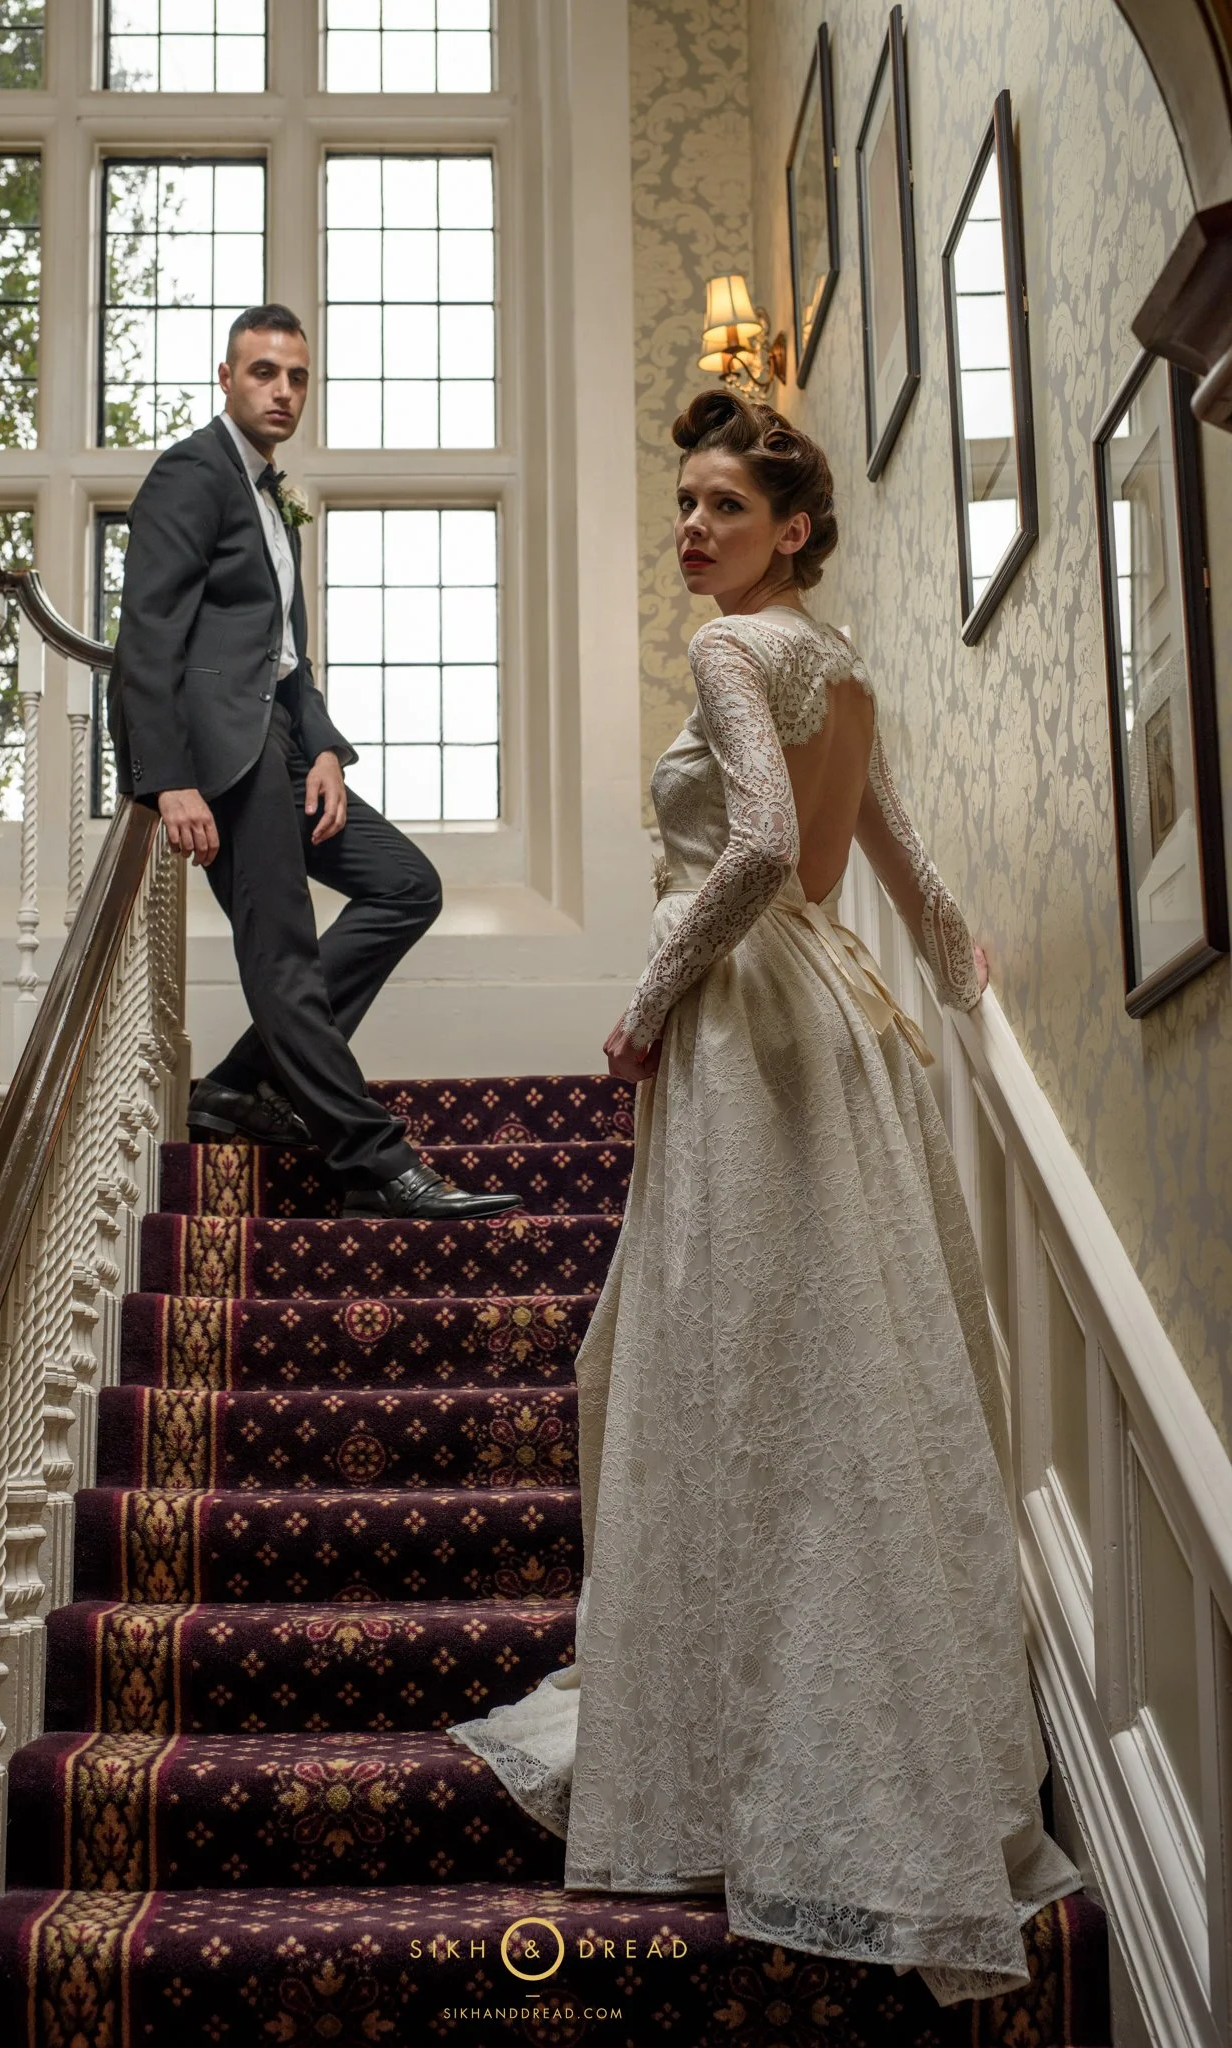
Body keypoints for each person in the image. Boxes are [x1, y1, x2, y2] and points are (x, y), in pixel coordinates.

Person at [450, 390, 1080, 2002]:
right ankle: (835, 1732)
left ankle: (767, 1762)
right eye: (681, 505)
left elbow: (745, 852)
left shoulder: (735, 654)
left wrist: (644, 998)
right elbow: (876, 838)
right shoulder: (839, 655)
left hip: (746, 1017)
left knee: (744, 1375)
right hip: (825, 1008)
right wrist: (940, 948)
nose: (690, 531)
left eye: (720, 507)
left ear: (789, 525)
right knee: (821, 1376)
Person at [108, 303, 520, 1221]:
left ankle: (236, 1085)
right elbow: (146, 638)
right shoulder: (191, 472)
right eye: (263, 372)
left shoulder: (271, 497)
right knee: (284, 955)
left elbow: (285, 655)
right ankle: (373, 1162)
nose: (283, 391)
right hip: (223, 755)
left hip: (284, 745)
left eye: (297, 376)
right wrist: (168, 779)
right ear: (226, 378)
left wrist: (326, 746)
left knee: (406, 885)